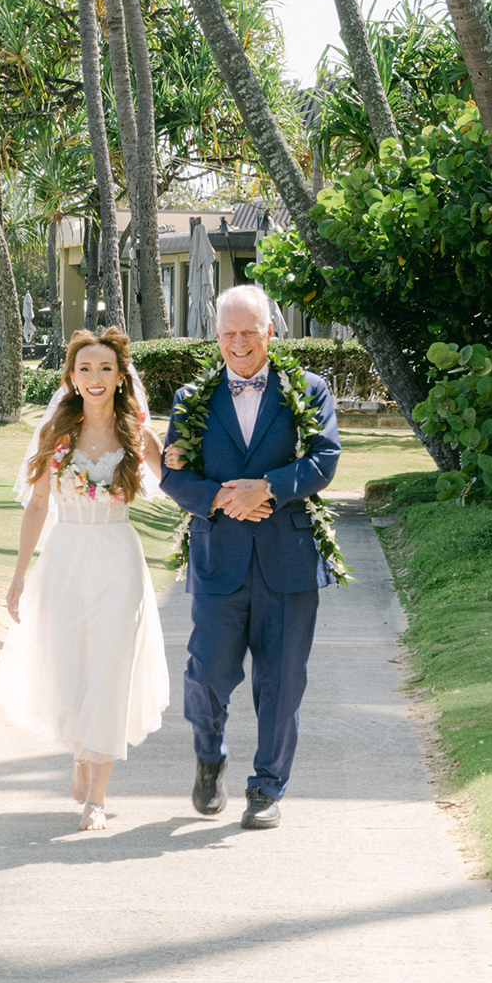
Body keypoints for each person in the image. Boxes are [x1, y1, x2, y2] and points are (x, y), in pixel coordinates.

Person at [161, 286, 340, 830]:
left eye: (249, 331)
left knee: (282, 682)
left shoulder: (307, 390)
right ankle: (209, 756)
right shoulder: (192, 398)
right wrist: (221, 497)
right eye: (229, 332)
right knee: (206, 674)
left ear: (269, 331)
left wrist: (266, 487)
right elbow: (173, 473)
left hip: (288, 562)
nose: (239, 342)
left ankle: (267, 788)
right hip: (220, 560)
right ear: (216, 336)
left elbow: (324, 459)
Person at [0, 327, 169, 832]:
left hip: (118, 560)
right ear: (71, 377)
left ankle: (97, 797)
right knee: (70, 673)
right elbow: (39, 504)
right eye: (86, 369)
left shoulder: (137, 434)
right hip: (64, 559)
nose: (96, 377)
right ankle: (80, 751)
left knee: (110, 671)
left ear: (120, 377)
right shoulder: (56, 436)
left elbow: (179, 480)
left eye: (106, 369)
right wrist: (19, 576)